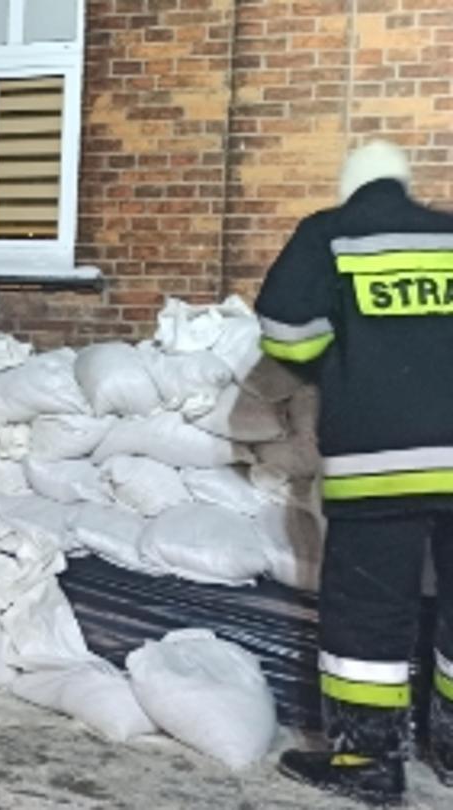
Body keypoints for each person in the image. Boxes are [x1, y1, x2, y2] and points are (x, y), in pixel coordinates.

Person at [263, 141, 453, 806]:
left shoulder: (330, 234)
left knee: (368, 613)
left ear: (350, 185)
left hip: (380, 465)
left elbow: (288, 334)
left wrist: (343, 360)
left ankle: (368, 763)